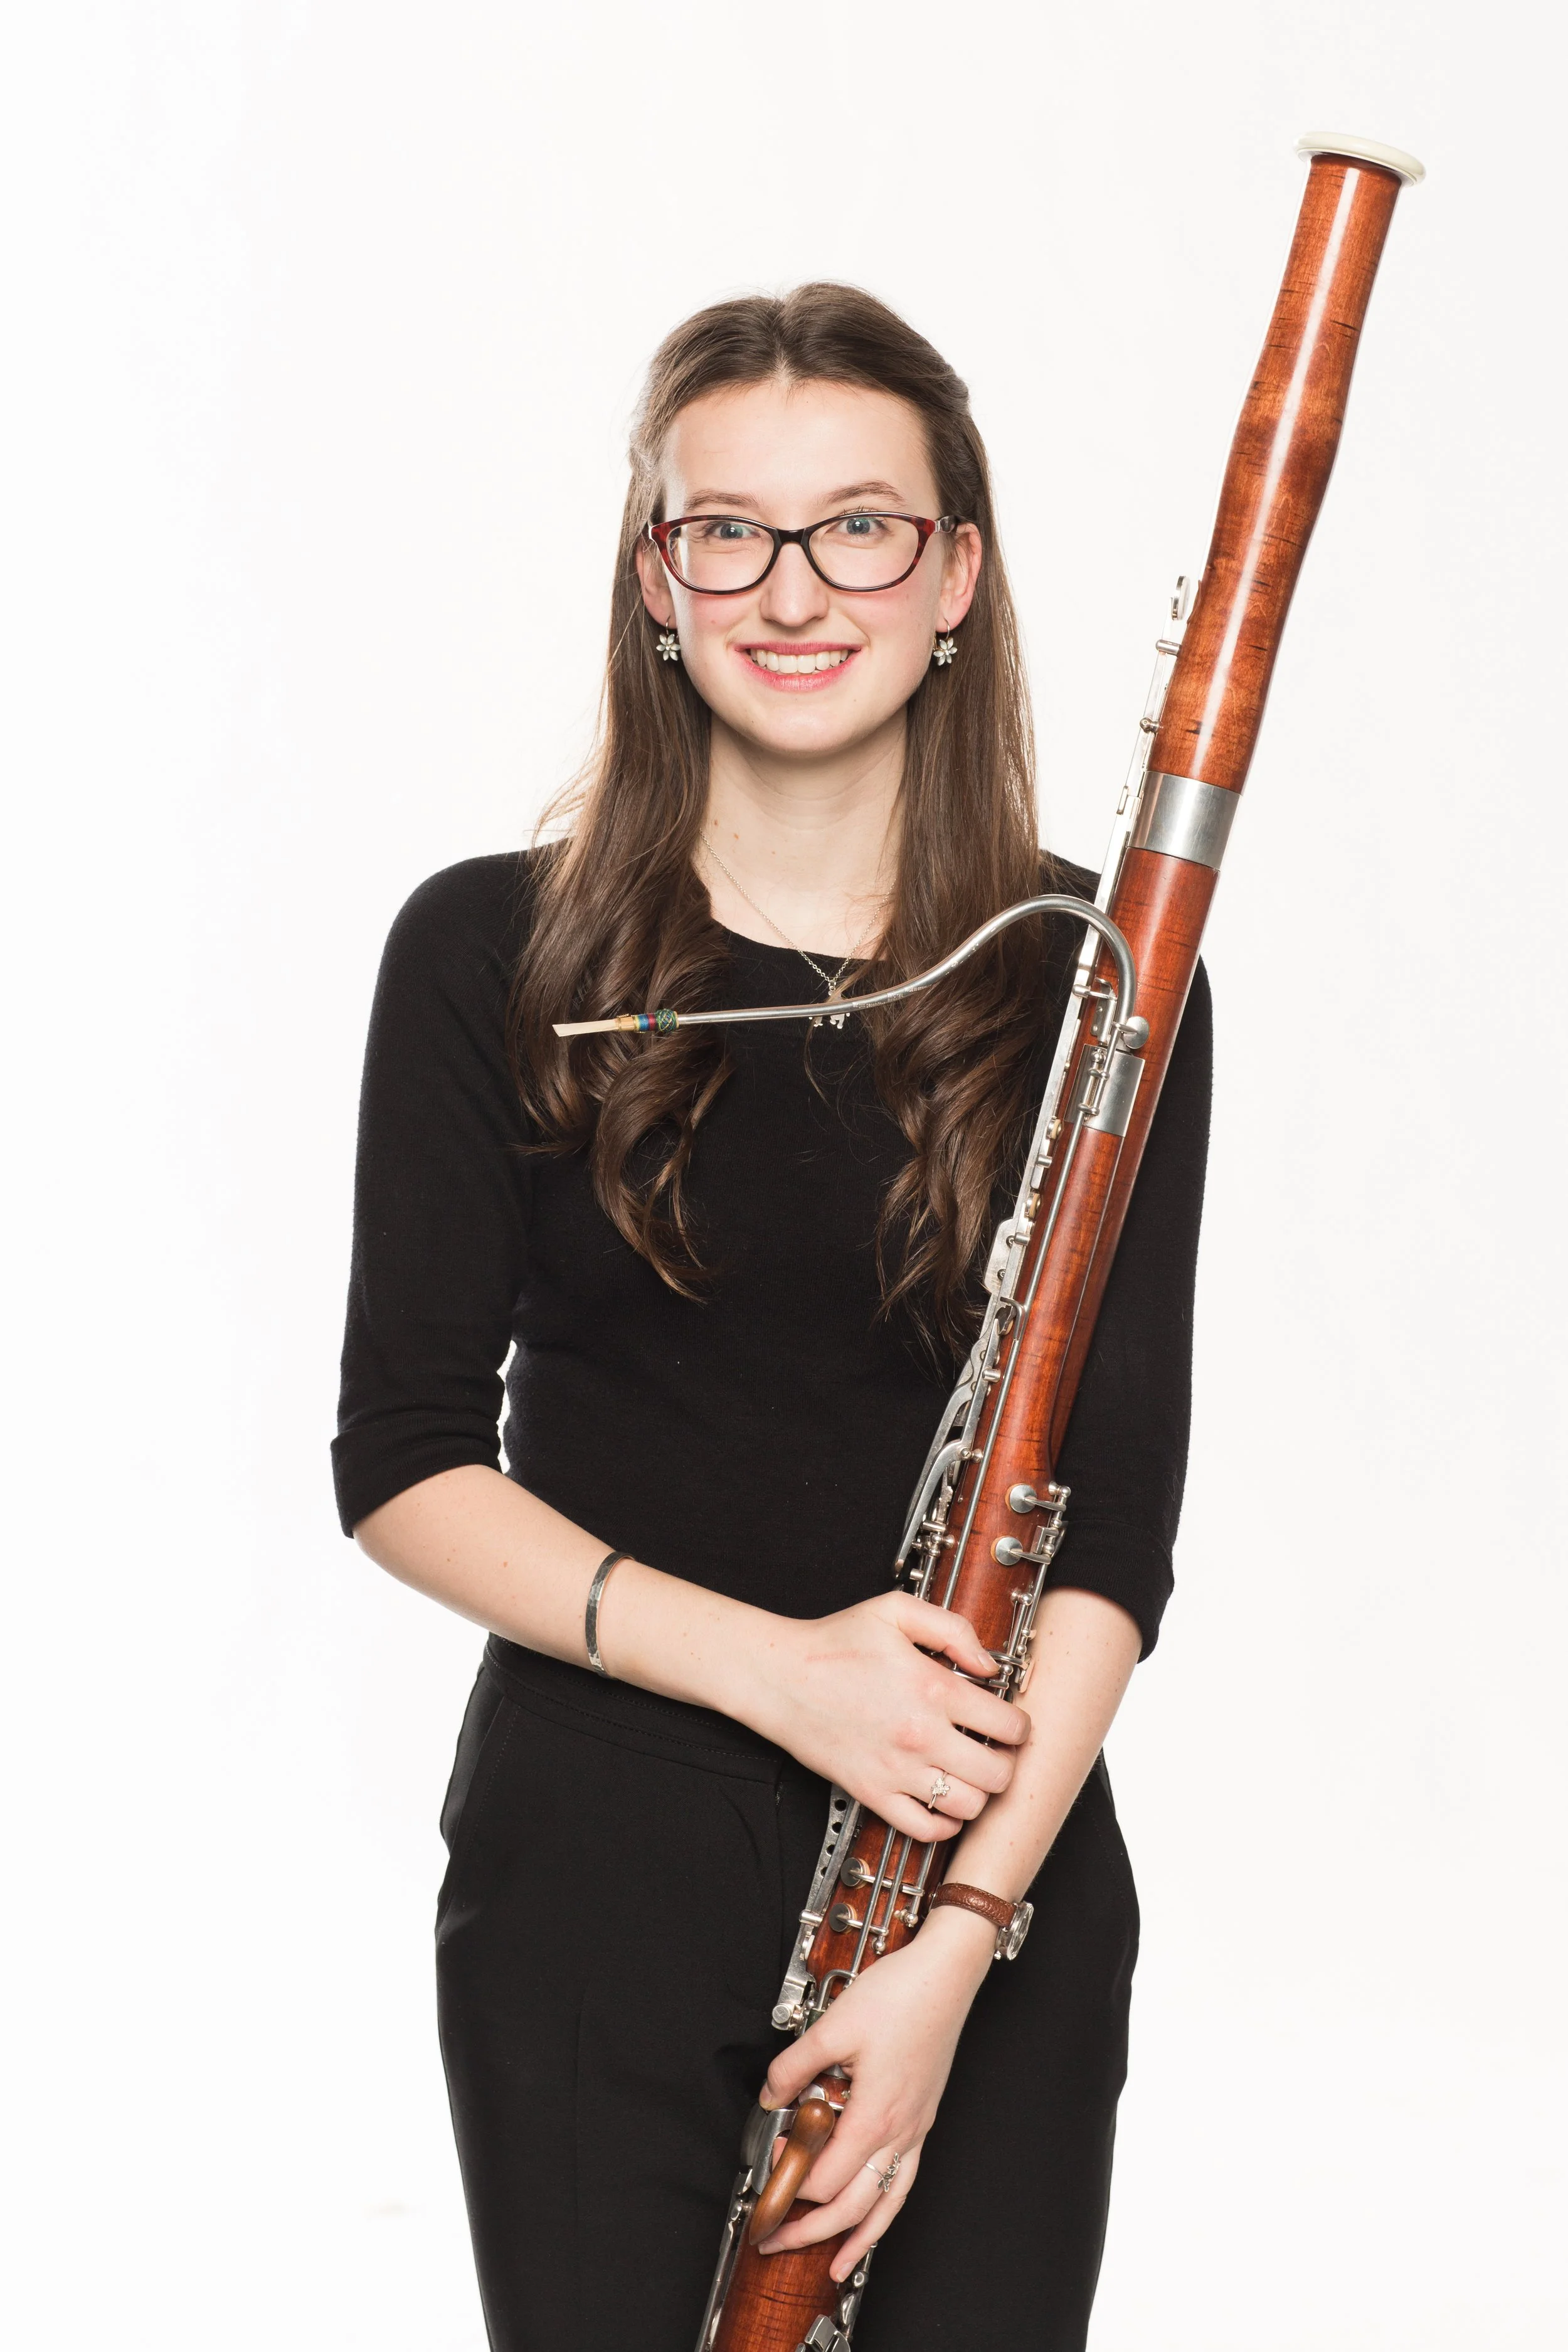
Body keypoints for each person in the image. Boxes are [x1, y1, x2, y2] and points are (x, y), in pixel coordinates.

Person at [333, 283, 1210, 2352]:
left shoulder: (1097, 977)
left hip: (974, 1886)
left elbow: (1119, 1525)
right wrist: (790, 1677)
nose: (789, 586)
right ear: (656, 580)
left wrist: (960, 1945)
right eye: (723, 528)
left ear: (955, 576)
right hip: (594, 1876)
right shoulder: (487, 951)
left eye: (859, 527)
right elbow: (403, 1463)